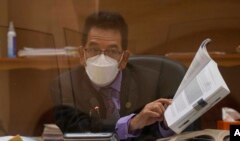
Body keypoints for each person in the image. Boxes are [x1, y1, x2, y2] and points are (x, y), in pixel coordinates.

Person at [51, 11, 193, 141]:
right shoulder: (65, 85)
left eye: (112, 51)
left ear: (124, 59)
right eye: (94, 49)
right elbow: (79, 132)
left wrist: (166, 123)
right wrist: (130, 124)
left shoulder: (151, 83)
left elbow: (154, 132)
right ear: (82, 55)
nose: (102, 58)